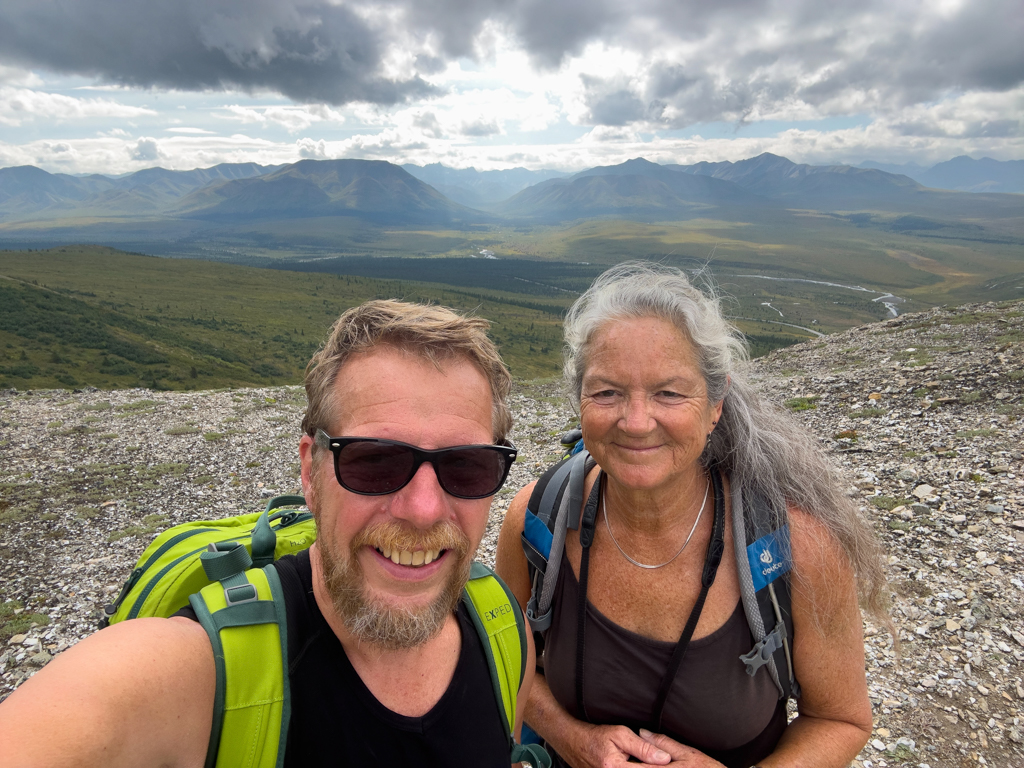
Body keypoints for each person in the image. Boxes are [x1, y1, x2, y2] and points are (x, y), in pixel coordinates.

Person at [0, 300, 535, 767]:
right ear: (310, 472)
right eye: (375, 462)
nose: (422, 509)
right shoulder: (193, 675)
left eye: (467, 467)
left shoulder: (503, 631)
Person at [495, 262, 888, 768]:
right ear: (579, 401)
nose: (636, 422)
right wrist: (573, 739)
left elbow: (841, 721)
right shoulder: (536, 520)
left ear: (716, 404)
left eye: (669, 393)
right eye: (607, 391)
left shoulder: (797, 547)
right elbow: (506, 662)